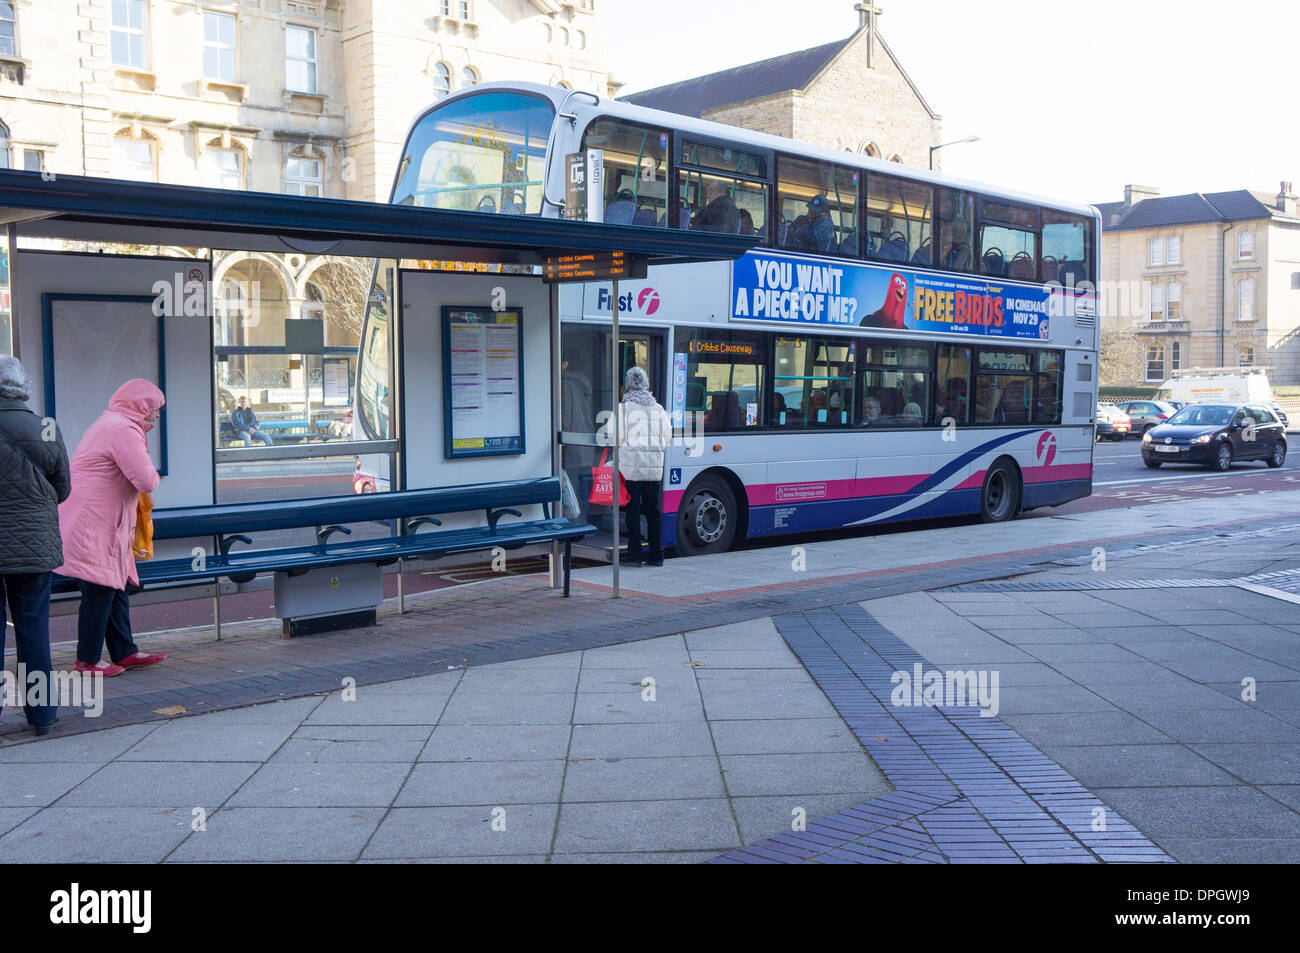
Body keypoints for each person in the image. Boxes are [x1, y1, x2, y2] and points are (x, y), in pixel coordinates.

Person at [57, 379, 168, 677]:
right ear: (139, 407)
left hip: (100, 519)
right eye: (155, 410)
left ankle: (124, 651)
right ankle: (87, 661)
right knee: (100, 587)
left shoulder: (114, 423)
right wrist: (152, 474)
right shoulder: (122, 429)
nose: (157, 416)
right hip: (93, 522)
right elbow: (146, 480)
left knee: (115, 584)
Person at [0, 357, 70, 736]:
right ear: (21, 387)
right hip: (33, 544)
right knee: (32, 629)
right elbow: (63, 488)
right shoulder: (45, 427)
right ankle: (42, 716)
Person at [617, 366, 671, 567]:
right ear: (646, 384)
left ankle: (634, 553)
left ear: (628, 384)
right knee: (653, 512)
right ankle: (657, 554)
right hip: (654, 470)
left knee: (632, 511)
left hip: (631, 469)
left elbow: (615, 437)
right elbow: (667, 437)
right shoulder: (658, 409)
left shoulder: (623, 408)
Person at [560, 347, 597, 522]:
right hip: (585, 445)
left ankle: (575, 526)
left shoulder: (566, 384)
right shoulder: (583, 384)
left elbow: (565, 416)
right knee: (583, 490)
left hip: (573, 446)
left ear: (565, 364)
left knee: (572, 489)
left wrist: (561, 437)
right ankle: (584, 524)